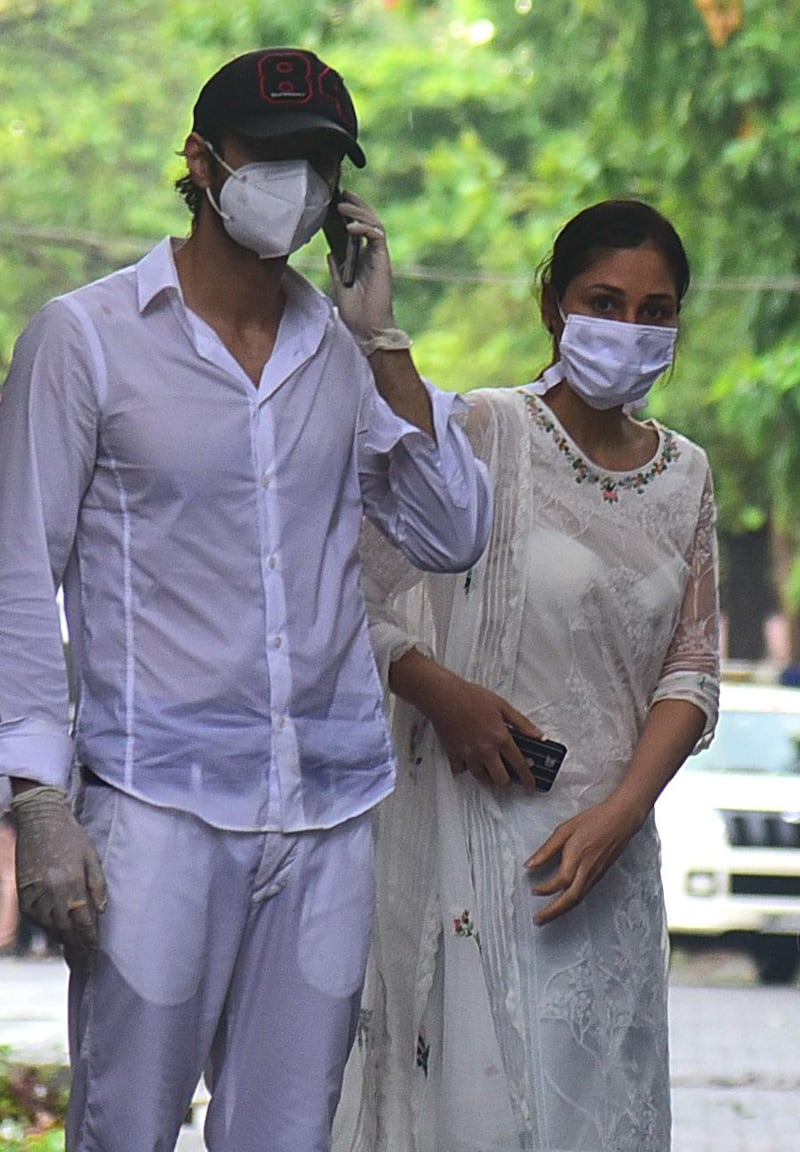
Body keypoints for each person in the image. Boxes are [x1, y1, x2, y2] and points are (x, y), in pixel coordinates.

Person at [0, 47, 492, 1152]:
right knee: (127, 1127)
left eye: (320, 166)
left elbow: (453, 530)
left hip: (327, 812)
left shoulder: (340, 356)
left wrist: (387, 343)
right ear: (203, 160)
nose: (296, 186)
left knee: (287, 1137)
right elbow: (17, 570)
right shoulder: (84, 339)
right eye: (274, 158)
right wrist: (37, 801)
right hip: (155, 806)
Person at [336, 199, 721, 1152]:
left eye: (655, 310)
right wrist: (440, 691)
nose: (629, 329)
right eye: (604, 300)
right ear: (552, 305)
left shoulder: (688, 475)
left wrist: (622, 813)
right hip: (477, 839)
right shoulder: (480, 433)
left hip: (611, 858)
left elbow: (693, 665)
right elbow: (353, 598)